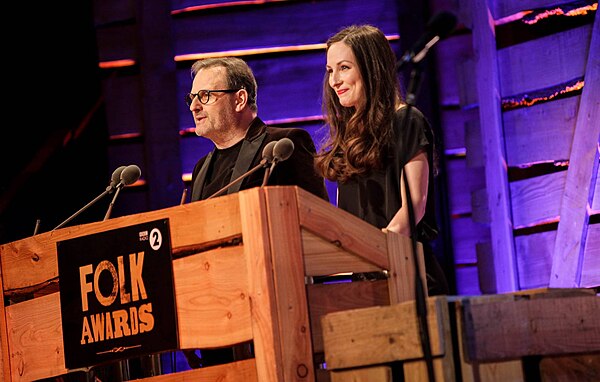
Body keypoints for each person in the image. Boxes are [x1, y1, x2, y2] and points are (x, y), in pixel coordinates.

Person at [183, 56, 329, 368]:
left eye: (205, 96)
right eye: (192, 98)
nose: (194, 107)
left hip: (276, 315)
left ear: (240, 99)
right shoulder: (200, 169)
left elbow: (321, 226)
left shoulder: (284, 146)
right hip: (216, 320)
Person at [314, 24, 449, 296]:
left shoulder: (406, 120)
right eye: (330, 71)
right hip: (365, 283)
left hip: (408, 275)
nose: (334, 81)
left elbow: (415, 206)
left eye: (344, 68)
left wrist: (379, 251)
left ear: (371, 68)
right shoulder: (348, 136)